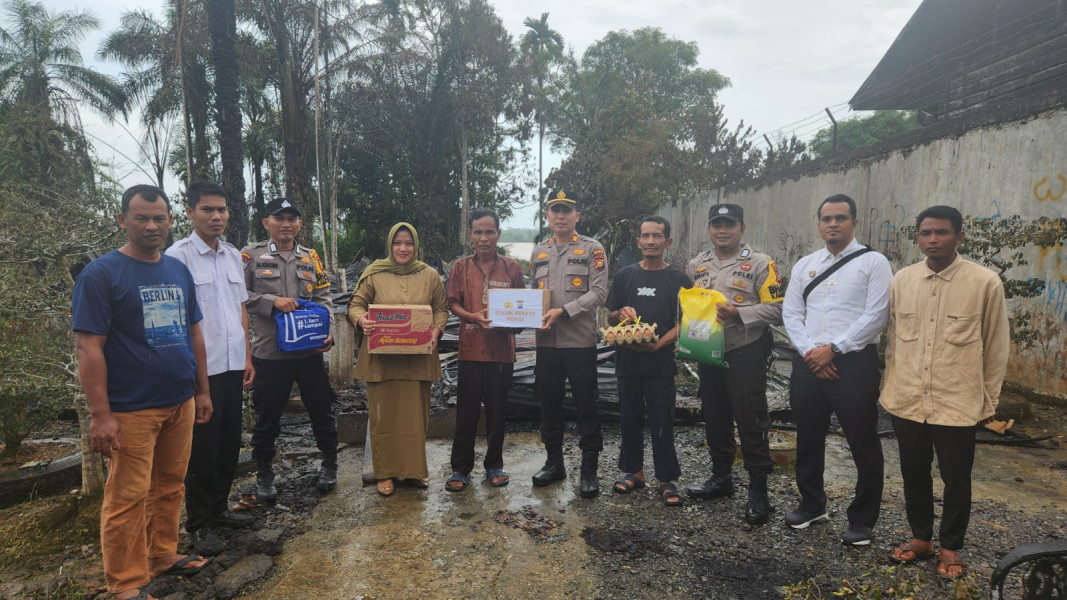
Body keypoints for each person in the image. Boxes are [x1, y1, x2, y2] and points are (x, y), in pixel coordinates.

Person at [72, 184, 212, 600]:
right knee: (127, 496)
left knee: (170, 484)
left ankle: (162, 555)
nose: (152, 226)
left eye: (160, 218)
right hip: (130, 409)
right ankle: (126, 583)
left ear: (171, 221)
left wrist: (201, 391)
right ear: (122, 221)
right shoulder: (101, 274)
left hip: (179, 401)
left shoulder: (176, 270)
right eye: (142, 218)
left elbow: (194, 334)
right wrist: (101, 416)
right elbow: (89, 348)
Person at [881, 205, 1008, 578]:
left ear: (960, 237)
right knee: (913, 472)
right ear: (917, 237)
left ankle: (951, 547)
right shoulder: (902, 280)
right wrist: (890, 387)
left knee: (957, 478)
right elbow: (892, 343)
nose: (932, 240)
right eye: (925, 233)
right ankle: (921, 539)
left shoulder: (985, 283)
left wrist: (989, 400)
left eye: (941, 233)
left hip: (957, 400)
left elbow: (997, 347)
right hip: (907, 399)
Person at [781, 193, 892, 546]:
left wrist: (836, 349)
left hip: (853, 361)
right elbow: (791, 313)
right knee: (808, 435)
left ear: (854, 222)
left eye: (841, 218)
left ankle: (862, 519)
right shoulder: (805, 264)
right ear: (818, 224)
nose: (833, 224)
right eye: (827, 219)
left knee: (862, 439)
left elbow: (877, 314)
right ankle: (812, 504)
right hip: (808, 360)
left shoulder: (873, 263)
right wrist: (811, 352)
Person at [165, 180, 256, 556]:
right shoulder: (177, 257)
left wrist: (248, 355)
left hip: (234, 365)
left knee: (228, 442)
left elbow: (240, 309)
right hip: (202, 371)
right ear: (189, 212)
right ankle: (199, 524)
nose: (216, 216)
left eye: (221, 209)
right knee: (201, 449)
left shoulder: (233, 255)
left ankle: (220, 508)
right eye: (207, 209)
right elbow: (178, 321)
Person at [685, 204, 784, 525]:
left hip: (745, 352)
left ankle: (758, 490)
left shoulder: (761, 264)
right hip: (707, 354)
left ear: (741, 227)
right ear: (709, 229)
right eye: (716, 225)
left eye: (729, 224)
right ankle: (721, 478)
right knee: (714, 416)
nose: (722, 230)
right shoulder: (697, 265)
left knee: (751, 418)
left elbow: (780, 308)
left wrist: (739, 313)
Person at [242, 198, 338, 501]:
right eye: (279, 218)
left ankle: (330, 464)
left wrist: (330, 330)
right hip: (270, 353)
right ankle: (265, 474)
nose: (286, 224)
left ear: (300, 224)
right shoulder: (251, 256)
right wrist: (272, 303)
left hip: (309, 351)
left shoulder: (311, 258)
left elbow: (324, 296)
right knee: (267, 415)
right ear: (266, 223)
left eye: (293, 218)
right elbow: (238, 294)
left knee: (321, 409)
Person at [349, 223, 448, 497]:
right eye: (397, 243)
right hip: (382, 360)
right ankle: (385, 472)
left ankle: (413, 471)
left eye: (408, 243)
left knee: (416, 418)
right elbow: (355, 305)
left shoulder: (429, 275)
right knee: (384, 419)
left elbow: (441, 309)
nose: (403, 248)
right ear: (390, 246)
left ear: (416, 246)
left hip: (418, 360)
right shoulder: (374, 274)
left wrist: (437, 330)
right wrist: (362, 320)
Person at [606, 216, 691, 506]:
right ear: (639, 241)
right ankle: (634, 471)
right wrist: (619, 315)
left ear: (668, 242)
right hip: (628, 361)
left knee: (662, 419)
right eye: (645, 236)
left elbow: (685, 322)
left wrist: (659, 345)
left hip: (660, 363)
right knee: (629, 418)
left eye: (657, 236)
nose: (651, 241)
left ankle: (666, 478)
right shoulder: (625, 276)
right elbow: (609, 316)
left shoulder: (678, 280)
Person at [529, 189, 609, 498]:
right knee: (549, 403)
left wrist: (564, 311)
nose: (560, 216)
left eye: (567, 211)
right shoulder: (539, 252)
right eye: (555, 211)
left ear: (577, 216)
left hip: (579, 343)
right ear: (547, 216)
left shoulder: (592, 249)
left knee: (587, 405)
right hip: (546, 343)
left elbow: (599, 293)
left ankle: (589, 470)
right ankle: (554, 463)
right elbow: (534, 295)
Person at [445, 208, 526, 491]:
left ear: (498, 234)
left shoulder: (512, 267)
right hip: (469, 351)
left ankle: (494, 465)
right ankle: (460, 468)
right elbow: (452, 303)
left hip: (501, 352)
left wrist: (513, 324)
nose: (483, 238)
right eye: (478, 232)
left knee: (497, 411)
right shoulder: (460, 267)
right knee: (466, 412)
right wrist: (472, 317)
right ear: (470, 235)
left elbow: (521, 307)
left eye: (489, 232)